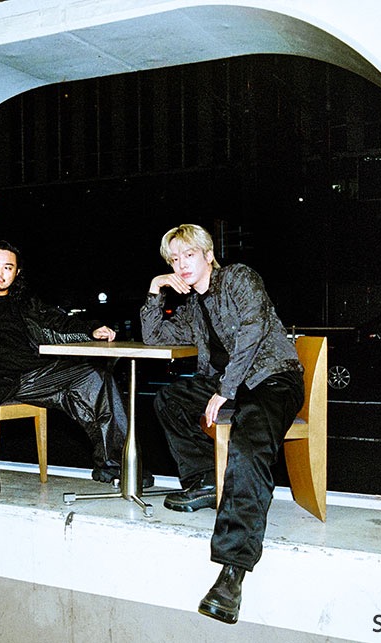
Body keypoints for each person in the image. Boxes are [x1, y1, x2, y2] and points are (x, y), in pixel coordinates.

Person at [140, 224, 304, 624]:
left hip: (272, 378)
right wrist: (154, 290)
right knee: (169, 400)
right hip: (227, 385)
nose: (181, 264)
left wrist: (225, 390)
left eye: (189, 255)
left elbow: (253, 331)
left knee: (247, 446)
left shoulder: (239, 278)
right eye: (174, 259)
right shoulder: (193, 307)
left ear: (208, 254)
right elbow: (153, 337)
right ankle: (205, 480)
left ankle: (232, 574)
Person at [0, 240, 147, 514]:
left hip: (32, 374)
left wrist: (92, 329)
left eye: (8, 268)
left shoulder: (25, 304)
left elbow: (59, 322)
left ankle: (117, 465)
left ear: (17, 273)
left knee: (95, 377)